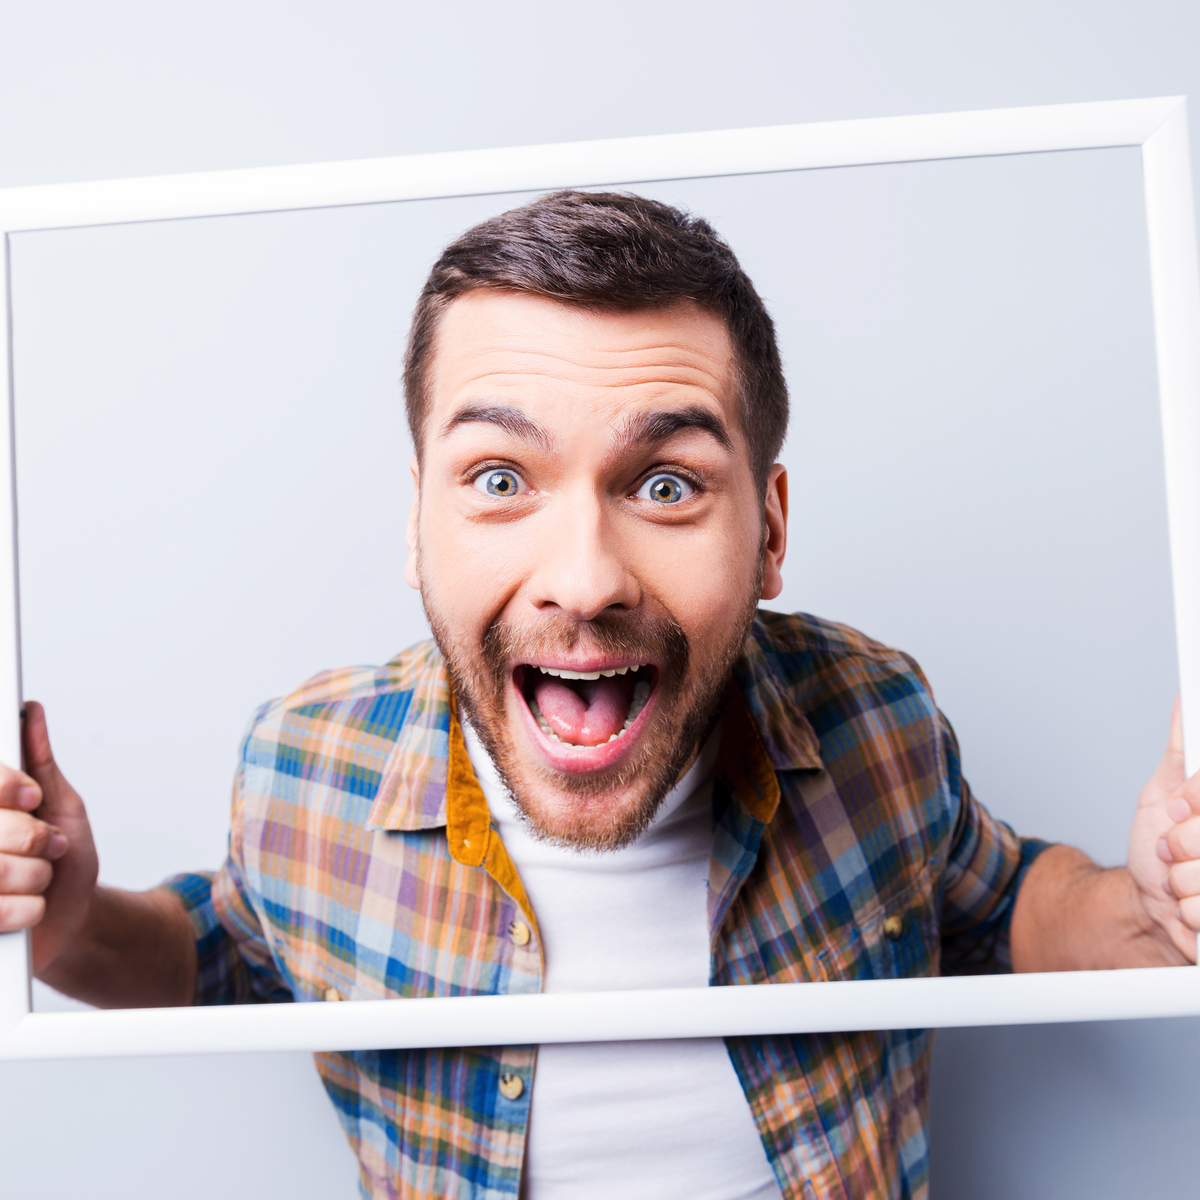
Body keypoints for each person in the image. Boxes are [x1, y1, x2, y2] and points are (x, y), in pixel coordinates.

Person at [0, 190, 1197, 1200]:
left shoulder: (870, 716)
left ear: (769, 531)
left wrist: (1155, 909)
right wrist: (70, 920)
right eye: (501, 477)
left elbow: (1000, 908)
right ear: (418, 522)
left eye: (668, 484)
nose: (584, 582)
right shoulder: (307, 769)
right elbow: (217, 960)